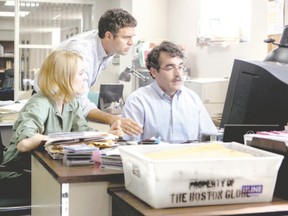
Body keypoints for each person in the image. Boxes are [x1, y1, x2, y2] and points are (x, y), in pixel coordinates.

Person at [0, 50, 123, 202]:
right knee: (75, 193)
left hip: (41, 171)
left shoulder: (71, 102)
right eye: (81, 73)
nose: (86, 77)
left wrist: (108, 136)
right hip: (17, 174)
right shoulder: (40, 103)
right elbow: (24, 143)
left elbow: (84, 134)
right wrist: (61, 140)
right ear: (63, 77)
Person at [33, 8, 143, 136]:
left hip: (68, 102)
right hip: (50, 101)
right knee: (53, 146)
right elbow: (80, 102)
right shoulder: (81, 52)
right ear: (108, 36)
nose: (131, 42)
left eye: (132, 37)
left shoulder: (110, 46)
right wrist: (112, 119)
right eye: (126, 37)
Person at [121, 41, 218, 143]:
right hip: (153, 157)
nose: (178, 74)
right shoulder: (137, 101)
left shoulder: (192, 98)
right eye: (170, 68)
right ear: (154, 72)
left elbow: (210, 139)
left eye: (180, 67)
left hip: (189, 157)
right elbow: (130, 146)